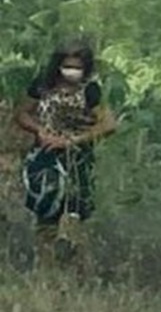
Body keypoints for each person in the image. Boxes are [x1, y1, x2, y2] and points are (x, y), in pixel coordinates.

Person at [12, 41, 117, 267]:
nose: (72, 71)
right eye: (67, 65)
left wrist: (72, 141)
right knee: (46, 209)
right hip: (46, 153)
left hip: (78, 155)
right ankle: (46, 266)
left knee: (77, 210)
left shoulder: (90, 90)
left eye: (77, 67)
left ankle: (77, 265)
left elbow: (108, 124)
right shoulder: (42, 85)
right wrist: (40, 132)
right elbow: (22, 113)